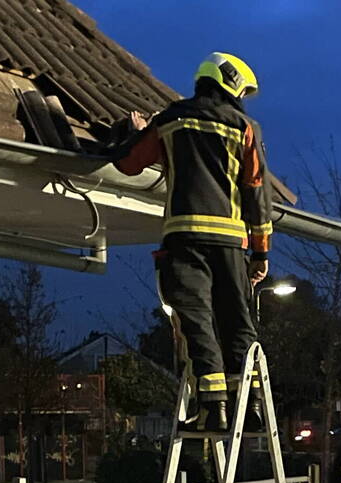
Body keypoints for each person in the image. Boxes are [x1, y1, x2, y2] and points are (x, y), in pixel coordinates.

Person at [113, 52, 272, 431]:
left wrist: (136, 131)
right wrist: (261, 251)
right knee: (238, 321)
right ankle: (248, 409)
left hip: (183, 240)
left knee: (197, 321)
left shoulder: (171, 119)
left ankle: (212, 410)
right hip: (232, 243)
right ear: (231, 83)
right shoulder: (245, 127)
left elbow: (129, 163)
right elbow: (257, 193)